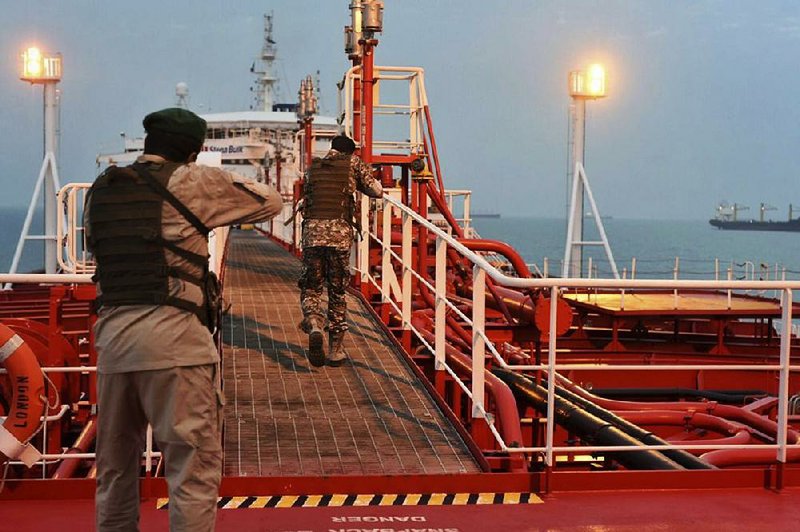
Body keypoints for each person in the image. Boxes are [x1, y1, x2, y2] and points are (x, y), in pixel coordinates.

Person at [85, 108, 282, 532]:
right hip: (175, 344)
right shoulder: (193, 180)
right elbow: (271, 201)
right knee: (191, 470)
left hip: (113, 347)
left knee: (115, 469)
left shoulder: (102, 189)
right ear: (192, 150)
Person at [299, 135, 383, 367]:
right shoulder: (354, 164)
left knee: (311, 287)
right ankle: (336, 350)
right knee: (337, 291)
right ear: (350, 152)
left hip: (312, 236)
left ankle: (315, 322)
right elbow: (377, 191)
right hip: (339, 236)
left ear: (332, 149)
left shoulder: (313, 168)